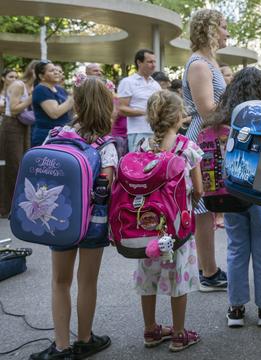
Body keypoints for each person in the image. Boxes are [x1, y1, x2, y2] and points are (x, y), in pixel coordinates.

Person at [30, 77, 117, 360]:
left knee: (60, 281)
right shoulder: (107, 146)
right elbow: (108, 189)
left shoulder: (55, 135)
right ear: (107, 105)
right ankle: (85, 339)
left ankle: (61, 347)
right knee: (87, 281)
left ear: (76, 103)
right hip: (94, 224)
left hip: (59, 219)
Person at [205, 67, 261, 328]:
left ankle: (236, 308)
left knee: (236, 248)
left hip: (230, 193)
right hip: (260, 192)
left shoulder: (220, 121)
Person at [133, 90, 202, 352]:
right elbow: (199, 190)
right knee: (177, 278)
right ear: (178, 117)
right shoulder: (187, 148)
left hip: (146, 227)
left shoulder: (141, 147)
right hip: (176, 228)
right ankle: (179, 333)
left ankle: (150, 330)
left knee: (147, 278)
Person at [183, 8, 230, 292]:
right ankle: (208, 273)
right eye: (223, 27)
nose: (227, 32)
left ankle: (208, 267)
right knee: (203, 206)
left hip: (210, 141)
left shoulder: (207, 61)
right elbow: (206, 110)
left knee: (207, 206)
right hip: (203, 142)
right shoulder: (200, 64)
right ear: (211, 29)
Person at [0, 61, 36, 218]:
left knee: (22, 166)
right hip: (12, 126)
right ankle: (6, 208)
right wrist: (31, 99)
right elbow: (14, 109)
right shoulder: (18, 85)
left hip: (24, 127)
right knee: (12, 168)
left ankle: (16, 206)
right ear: (35, 71)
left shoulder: (30, 87)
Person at [117, 49, 160, 152]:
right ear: (139, 62)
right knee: (138, 166)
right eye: (150, 62)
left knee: (154, 166)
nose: (153, 65)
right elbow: (122, 109)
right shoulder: (128, 82)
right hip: (137, 132)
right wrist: (146, 113)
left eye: (154, 62)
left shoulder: (156, 84)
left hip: (156, 133)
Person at [31, 60, 73, 147]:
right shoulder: (41, 89)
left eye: (56, 70)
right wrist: (72, 98)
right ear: (41, 76)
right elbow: (54, 113)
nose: (56, 72)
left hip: (61, 135)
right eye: (51, 71)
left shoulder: (60, 89)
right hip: (46, 136)